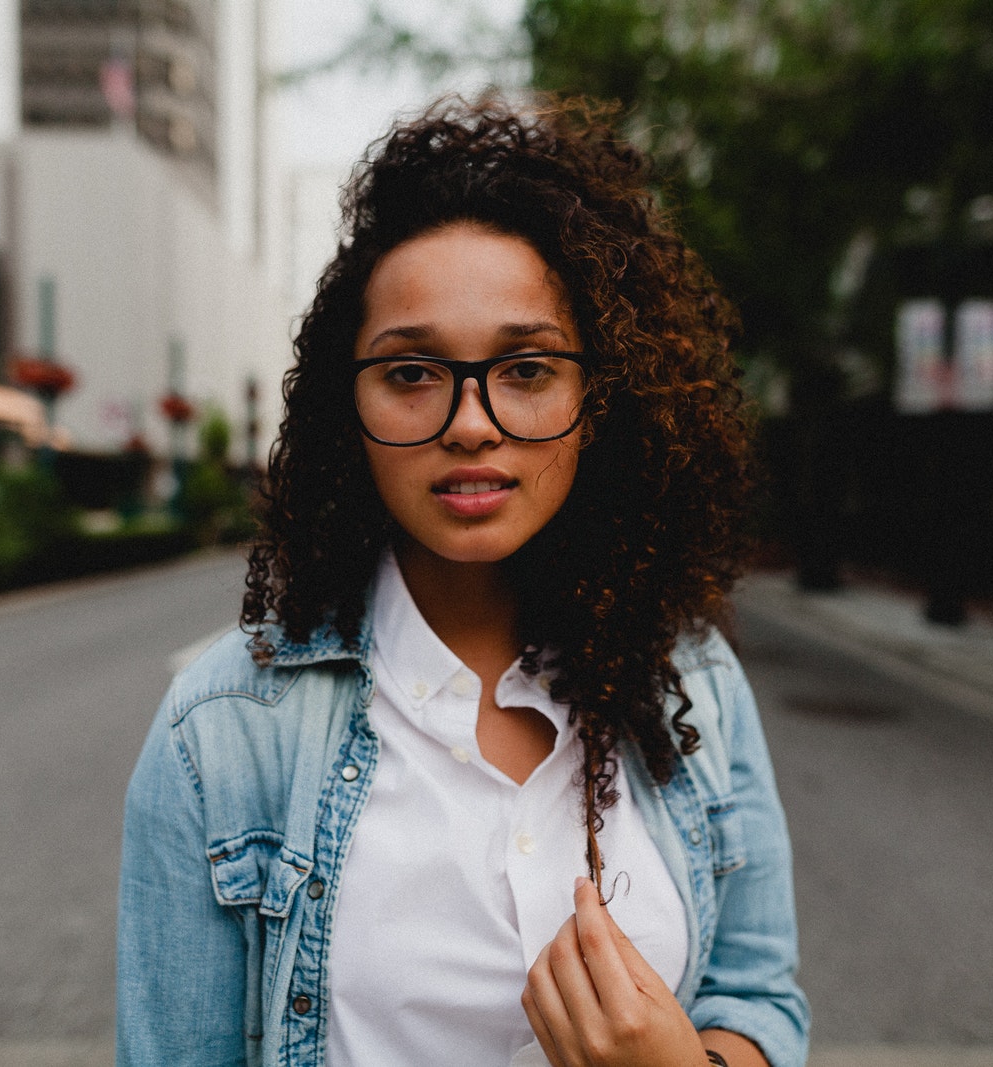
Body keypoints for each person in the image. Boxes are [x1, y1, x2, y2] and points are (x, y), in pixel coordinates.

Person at [117, 95, 809, 1067]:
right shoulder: (223, 737)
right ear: (345, 404)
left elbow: (758, 996)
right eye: (411, 373)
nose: (470, 422)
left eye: (525, 367)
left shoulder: (694, 679)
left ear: (596, 395)